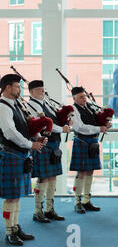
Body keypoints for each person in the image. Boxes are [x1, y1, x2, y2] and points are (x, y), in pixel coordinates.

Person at [0, 74, 47, 246]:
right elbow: (10, 132)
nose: (20, 90)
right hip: (11, 154)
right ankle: (9, 231)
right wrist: (30, 145)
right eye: (17, 87)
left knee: (17, 195)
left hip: (20, 155)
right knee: (11, 196)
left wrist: (38, 137)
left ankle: (15, 226)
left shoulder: (17, 105)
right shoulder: (3, 107)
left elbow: (27, 126)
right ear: (7, 88)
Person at [28, 80, 71, 222]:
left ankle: (49, 209)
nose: (43, 92)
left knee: (53, 177)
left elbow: (55, 120)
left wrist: (66, 120)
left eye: (43, 89)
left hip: (54, 144)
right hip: (43, 144)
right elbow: (45, 125)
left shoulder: (46, 103)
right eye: (40, 90)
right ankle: (37, 211)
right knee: (43, 177)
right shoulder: (31, 105)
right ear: (32, 92)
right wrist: (62, 129)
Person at [69, 87, 111, 214]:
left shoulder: (90, 107)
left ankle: (86, 200)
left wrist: (106, 124)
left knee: (90, 172)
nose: (84, 99)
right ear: (74, 98)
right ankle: (77, 202)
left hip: (92, 142)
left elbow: (98, 121)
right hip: (82, 142)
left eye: (84, 96)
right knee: (81, 172)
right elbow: (80, 127)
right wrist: (99, 128)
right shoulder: (73, 109)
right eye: (80, 97)